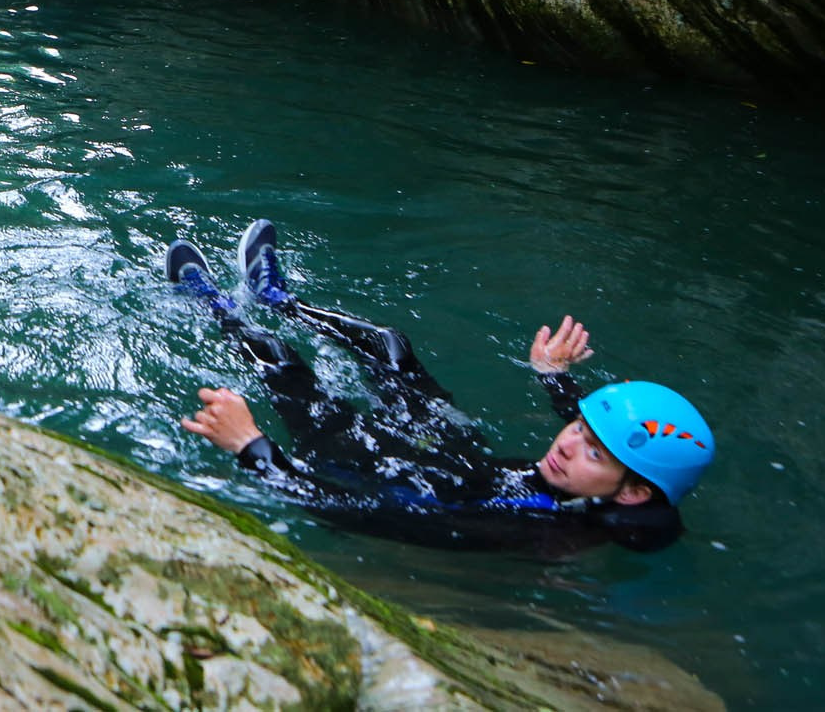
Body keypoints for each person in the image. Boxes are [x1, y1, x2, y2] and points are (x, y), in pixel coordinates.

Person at [173, 221, 714, 555]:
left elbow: (342, 509)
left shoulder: (528, 530)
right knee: (389, 345)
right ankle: (278, 301)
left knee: (283, 361)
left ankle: (213, 305)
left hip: (370, 471)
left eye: (592, 450)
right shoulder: (601, 480)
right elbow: (595, 437)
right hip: (458, 457)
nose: (568, 442)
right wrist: (555, 378)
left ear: (634, 493)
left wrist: (251, 446)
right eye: (577, 428)